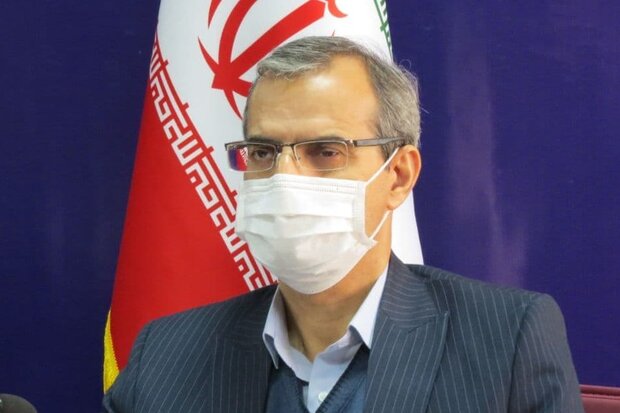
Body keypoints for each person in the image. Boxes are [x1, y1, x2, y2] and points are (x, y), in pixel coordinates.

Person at [102, 36, 584, 412]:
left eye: (326, 151)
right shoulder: (166, 353)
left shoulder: (507, 339)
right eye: (263, 152)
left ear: (399, 176)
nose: (285, 178)